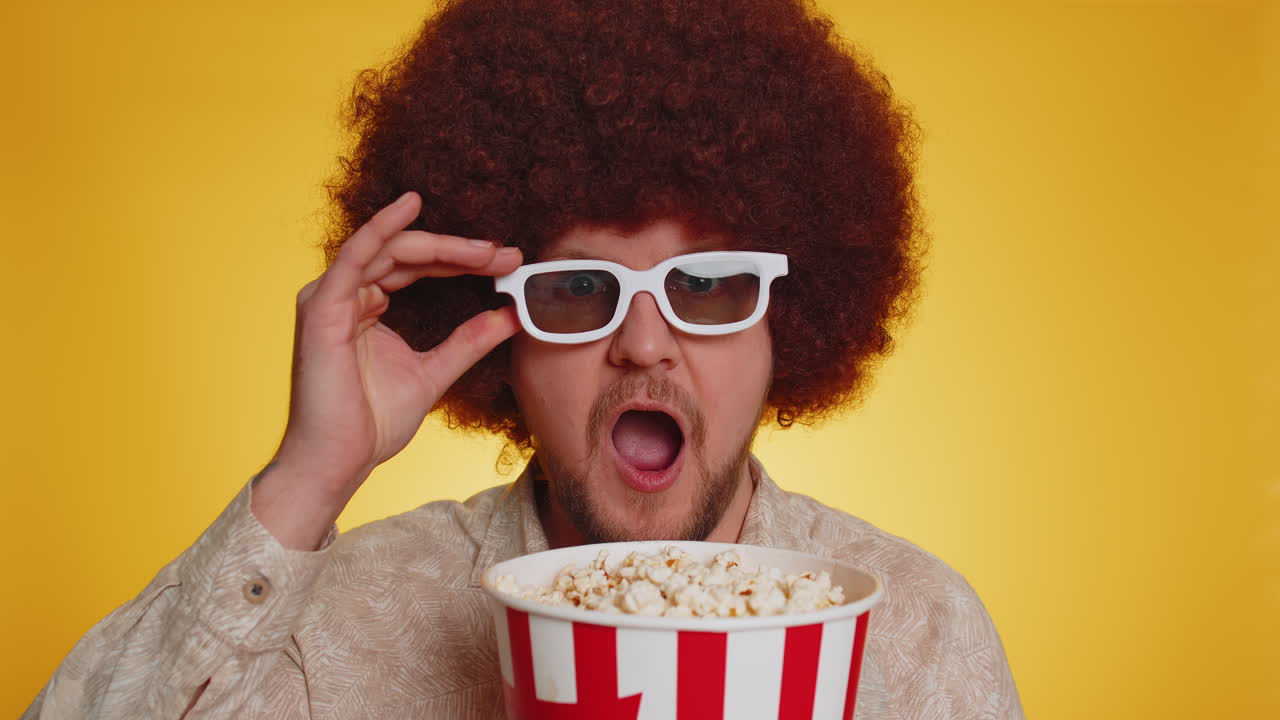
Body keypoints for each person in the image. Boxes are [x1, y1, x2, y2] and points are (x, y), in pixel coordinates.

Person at [23, 0, 1023, 717]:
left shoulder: (914, 628)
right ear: (489, 329)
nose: (641, 344)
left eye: (707, 285)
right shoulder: (335, 625)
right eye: (577, 291)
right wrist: (305, 478)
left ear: (789, 322)